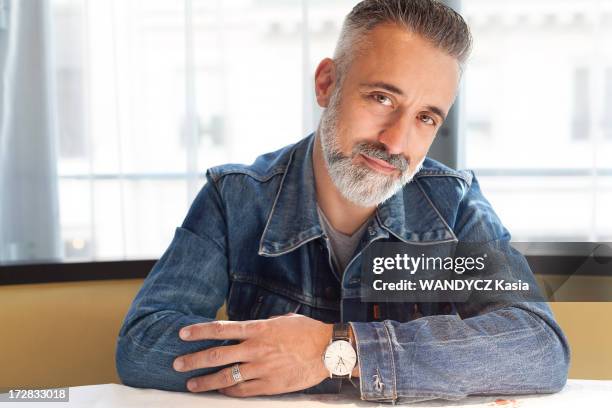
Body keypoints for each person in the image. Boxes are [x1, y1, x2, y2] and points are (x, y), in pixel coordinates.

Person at [116, 0, 570, 403]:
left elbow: (537, 345)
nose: (396, 141)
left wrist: (338, 351)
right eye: (381, 97)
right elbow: (143, 344)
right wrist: (302, 360)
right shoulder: (235, 198)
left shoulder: (453, 202)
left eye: (426, 117)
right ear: (327, 83)